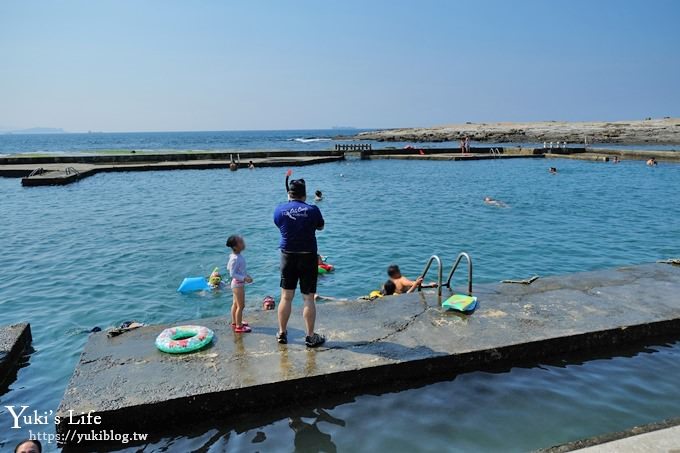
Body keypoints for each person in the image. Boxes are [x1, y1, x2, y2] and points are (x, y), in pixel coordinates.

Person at [274, 173, 326, 347]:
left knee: (286, 297)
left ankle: (282, 333)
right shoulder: (313, 210)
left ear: (289, 194)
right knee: (308, 298)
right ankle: (310, 337)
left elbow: (279, 224)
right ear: (304, 194)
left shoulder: (279, 210)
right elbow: (320, 226)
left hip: (287, 255)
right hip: (307, 256)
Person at [226, 235, 253, 333]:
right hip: (238, 284)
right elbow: (232, 273)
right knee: (241, 306)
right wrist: (244, 278)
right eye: (241, 242)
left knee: (235, 304)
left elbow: (239, 270)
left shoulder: (236, 256)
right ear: (235, 247)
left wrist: (247, 275)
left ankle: (235, 322)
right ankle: (239, 326)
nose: (244, 243)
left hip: (237, 284)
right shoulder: (235, 258)